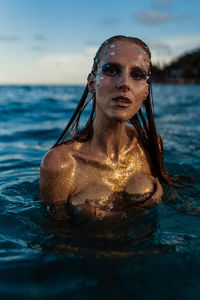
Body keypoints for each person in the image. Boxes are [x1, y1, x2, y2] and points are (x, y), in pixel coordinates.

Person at [40, 35, 177, 222]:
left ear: (145, 90)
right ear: (91, 82)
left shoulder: (151, 144)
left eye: (136, 75)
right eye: (112, 70)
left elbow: (173, 198)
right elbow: (54, 241)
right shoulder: (60, 165)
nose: (125, 84)